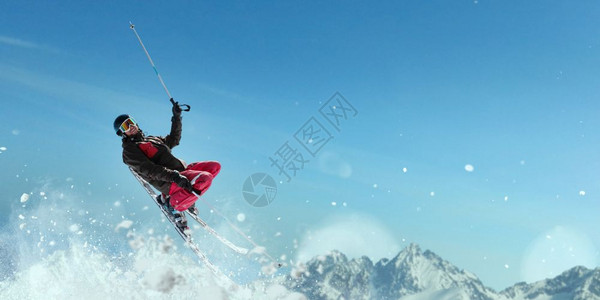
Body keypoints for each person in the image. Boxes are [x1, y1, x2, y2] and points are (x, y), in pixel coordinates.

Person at [114, 99, 220, 229]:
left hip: (181, 173)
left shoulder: (151, 139)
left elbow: (174, 140)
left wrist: (176, 117)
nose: (131, 127)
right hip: (169, 182)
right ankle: (173, 205)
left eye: (131, 122)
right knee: (205, 178)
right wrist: (174, 176)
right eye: (126, 126)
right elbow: (150, 170)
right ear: (122, 133)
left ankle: (184, 198)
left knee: (214, 167)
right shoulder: (129, 151)